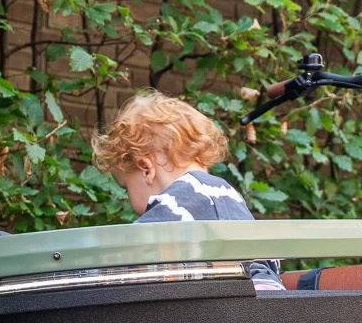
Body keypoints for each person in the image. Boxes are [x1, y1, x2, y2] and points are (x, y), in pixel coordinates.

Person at [93, 91, 283, 292]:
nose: (128, 198)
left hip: (232, 302)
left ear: (146, 170)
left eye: (126, 188)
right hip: (268, 297)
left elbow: (127, 257)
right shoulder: (228, 193)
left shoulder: (175, 201)